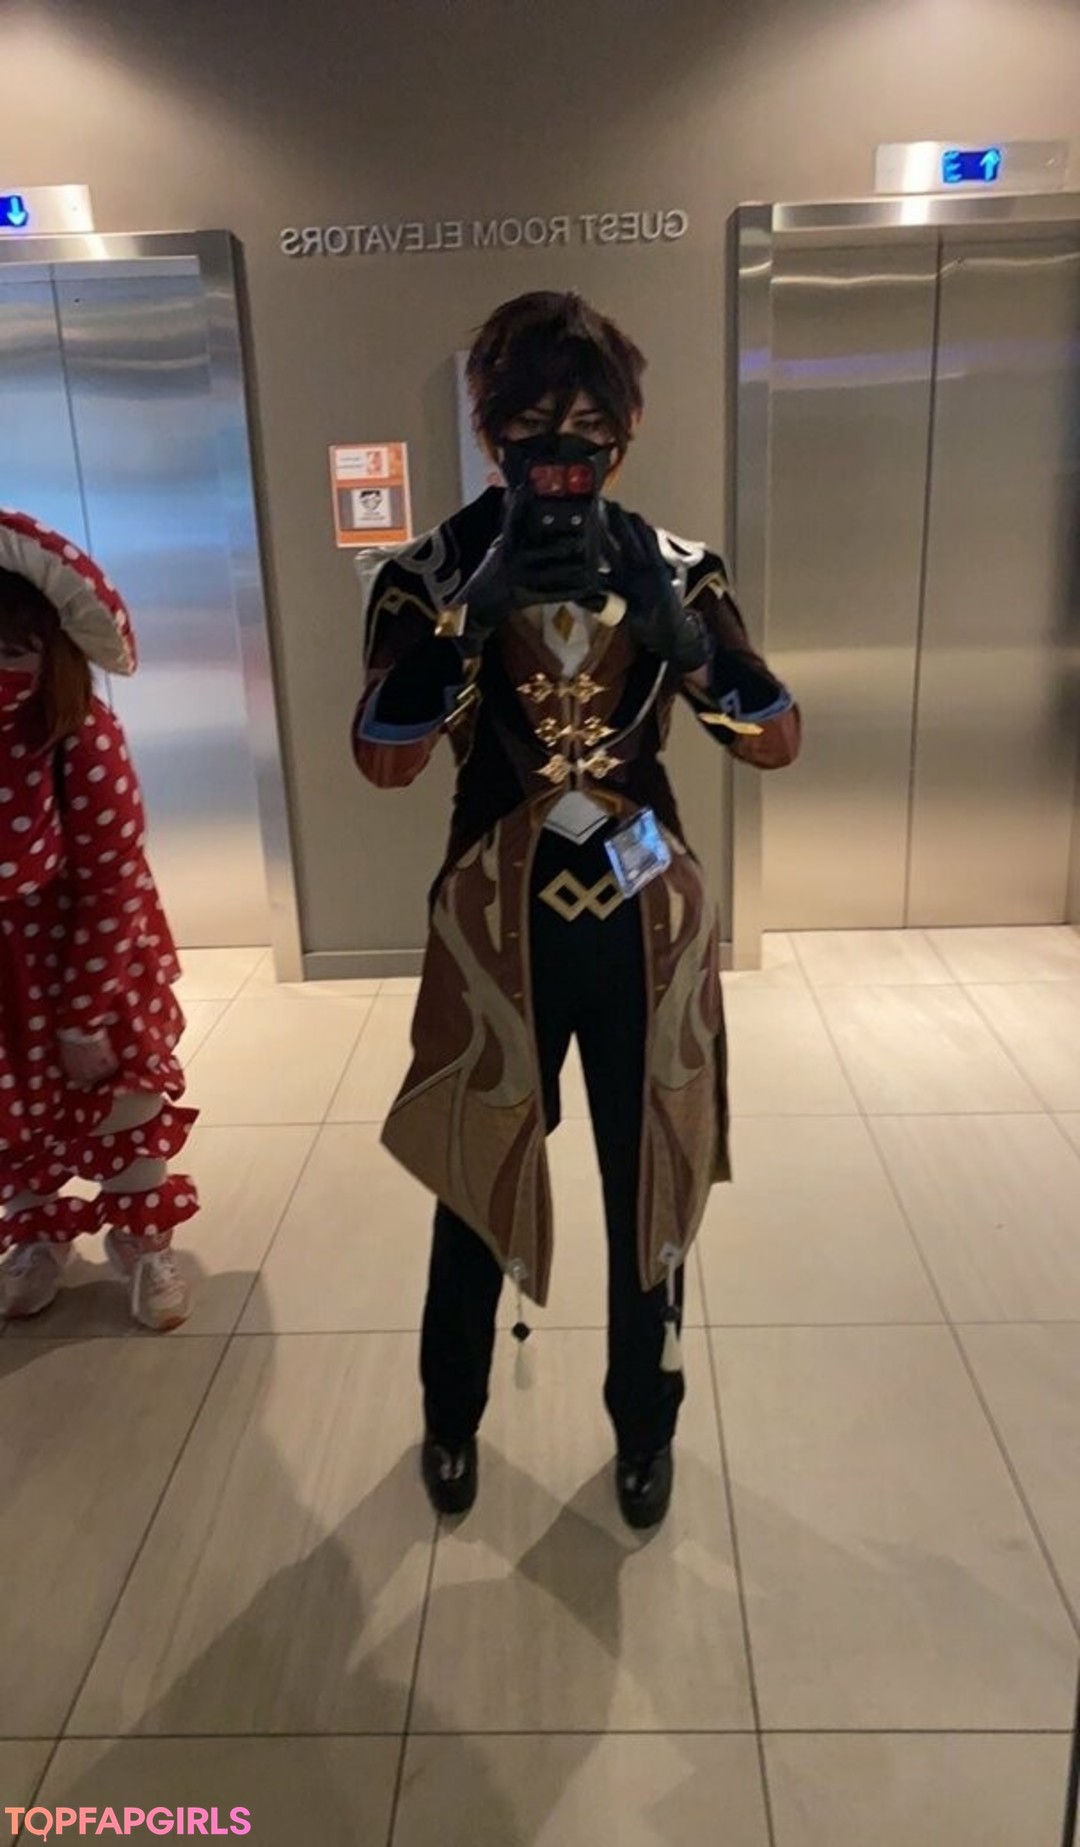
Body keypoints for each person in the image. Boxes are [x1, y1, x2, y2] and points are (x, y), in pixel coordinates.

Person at [352, 291, 800, 1528]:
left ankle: (645, 1424)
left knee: (652, 1177)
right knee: (472, 1171)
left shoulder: (676, 564)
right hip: (490, 922)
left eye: (588, 431)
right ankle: (451, 1412)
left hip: (650, 911)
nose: (561, 455)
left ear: (628, 429)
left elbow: (773, 738)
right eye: (531, 431)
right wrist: (469, 616)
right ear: (488, 431)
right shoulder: (425, 570)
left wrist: (684, 641)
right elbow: (384, 758)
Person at [0, 510, 197, 1330]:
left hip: (90, 957)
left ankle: (145, 1245)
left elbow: (113, 883)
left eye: (13, 650)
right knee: (12, 1116)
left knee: (119, 1103)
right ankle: (37, 1237)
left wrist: (83, 1015)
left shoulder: (81, 733)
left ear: (54, 653)